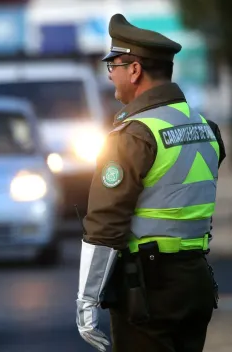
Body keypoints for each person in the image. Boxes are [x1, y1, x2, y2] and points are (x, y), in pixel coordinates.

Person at [76, 13, 226, 352]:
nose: (111, 74)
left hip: (147, 289)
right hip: (195, 280)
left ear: (134, 69)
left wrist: (86, 300)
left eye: (112, 64)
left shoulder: (133, 136)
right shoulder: (206, 128)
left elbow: (105, 224)